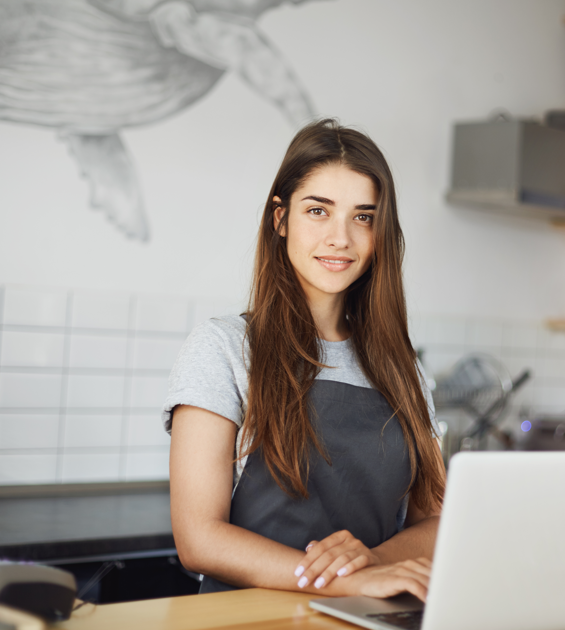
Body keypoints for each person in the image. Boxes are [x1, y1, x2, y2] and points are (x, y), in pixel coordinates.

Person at [163, 119, 446, 601]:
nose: (340, 238)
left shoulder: (404, 370)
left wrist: (370, 561)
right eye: (318, 211)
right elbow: (199, 539)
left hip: (365, 615)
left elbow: (436, 521)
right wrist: (345, 579)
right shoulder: (224, 347)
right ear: (280, 219)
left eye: (363, 217)